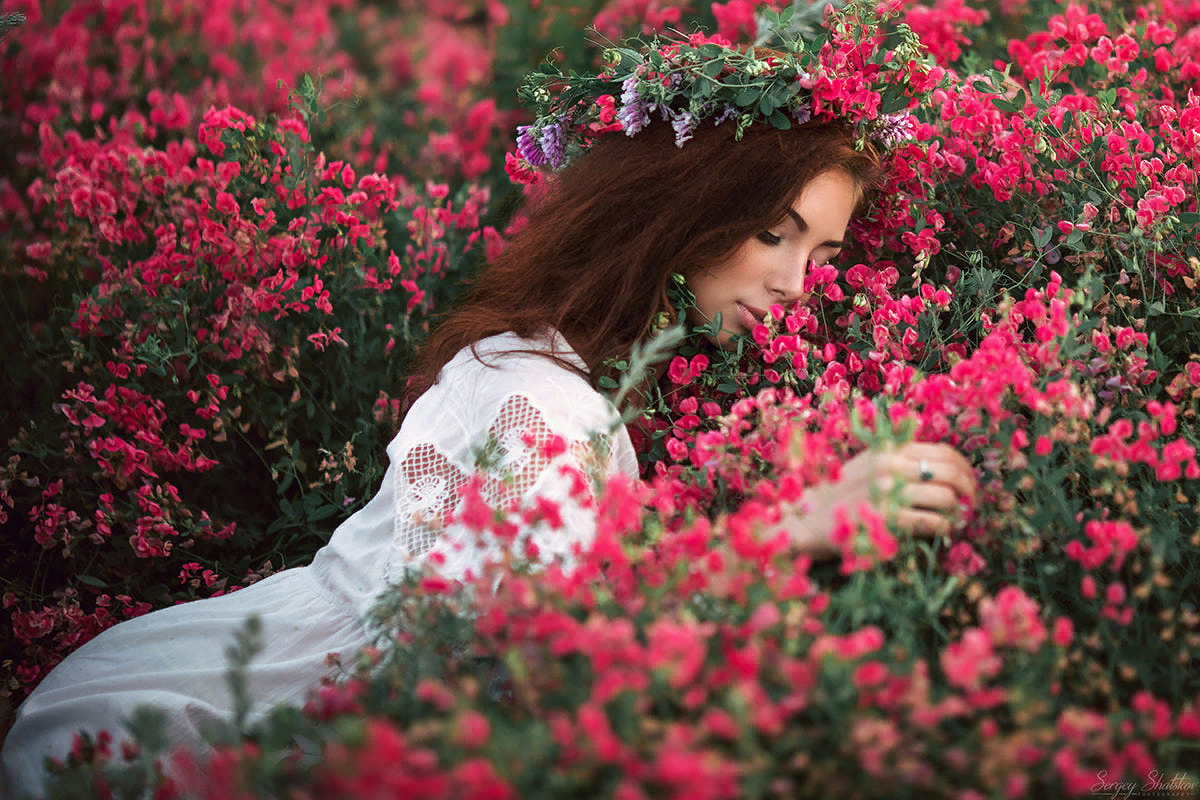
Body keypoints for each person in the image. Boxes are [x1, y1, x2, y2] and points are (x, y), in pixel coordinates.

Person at [1, 32, 978, 798]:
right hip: (208, 729)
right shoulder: (549, 402)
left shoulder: (513, 355)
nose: (798, 281)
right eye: (775, 232)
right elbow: (549, 635)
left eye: (825, 252)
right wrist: (801, 521)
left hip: (181, 684)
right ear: (686, 212)